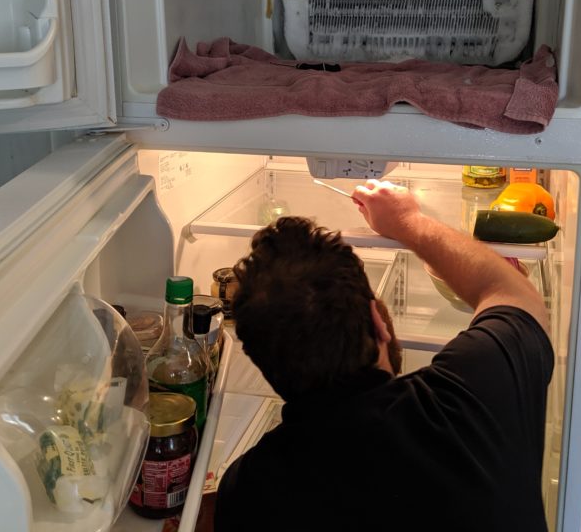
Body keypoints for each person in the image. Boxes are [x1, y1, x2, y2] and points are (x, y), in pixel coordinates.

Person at [215, 179, 553, 531]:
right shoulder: (471, 400)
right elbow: (513, 294)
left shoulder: (246, 489)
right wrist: (407, 222)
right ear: (379, 322)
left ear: (264, 363)